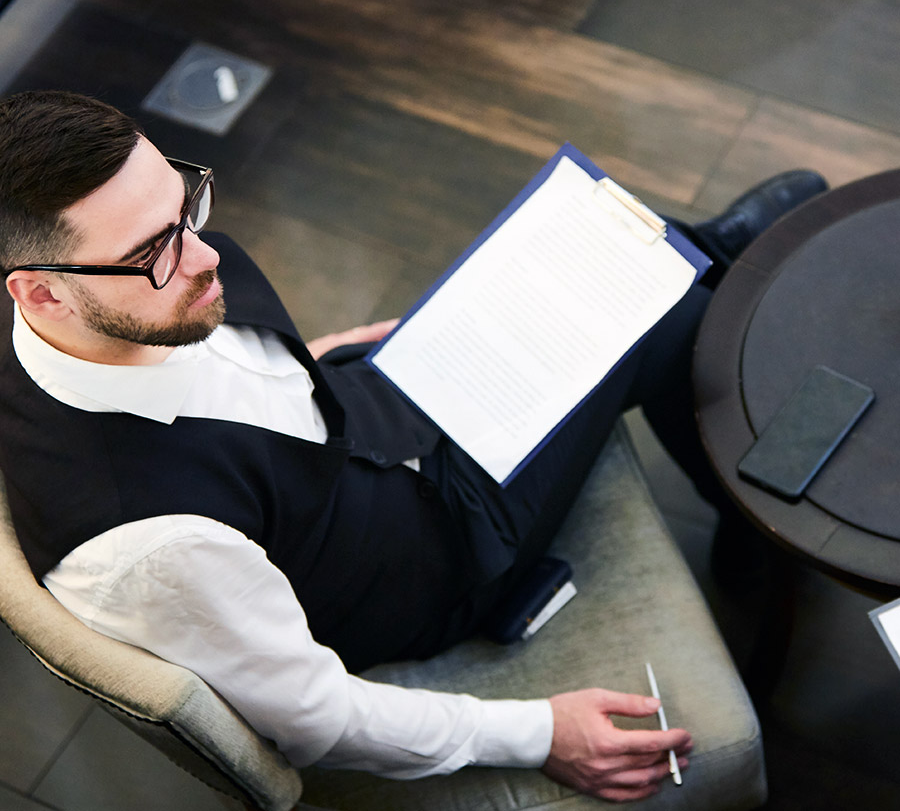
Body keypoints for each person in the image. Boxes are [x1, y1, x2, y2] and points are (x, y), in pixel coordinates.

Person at [0, 90, 826, 802]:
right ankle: (733, 405)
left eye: (186, 205)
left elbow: (224, 384)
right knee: (670, 315)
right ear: (39, 292)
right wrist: (539, 734)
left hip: (365, 413)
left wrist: (311, 361)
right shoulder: (152, 548)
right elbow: (320, 716)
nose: (206, 255)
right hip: (429, 553)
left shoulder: (97, 306)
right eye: (154, 251)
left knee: (607, 255)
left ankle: (698, 257)